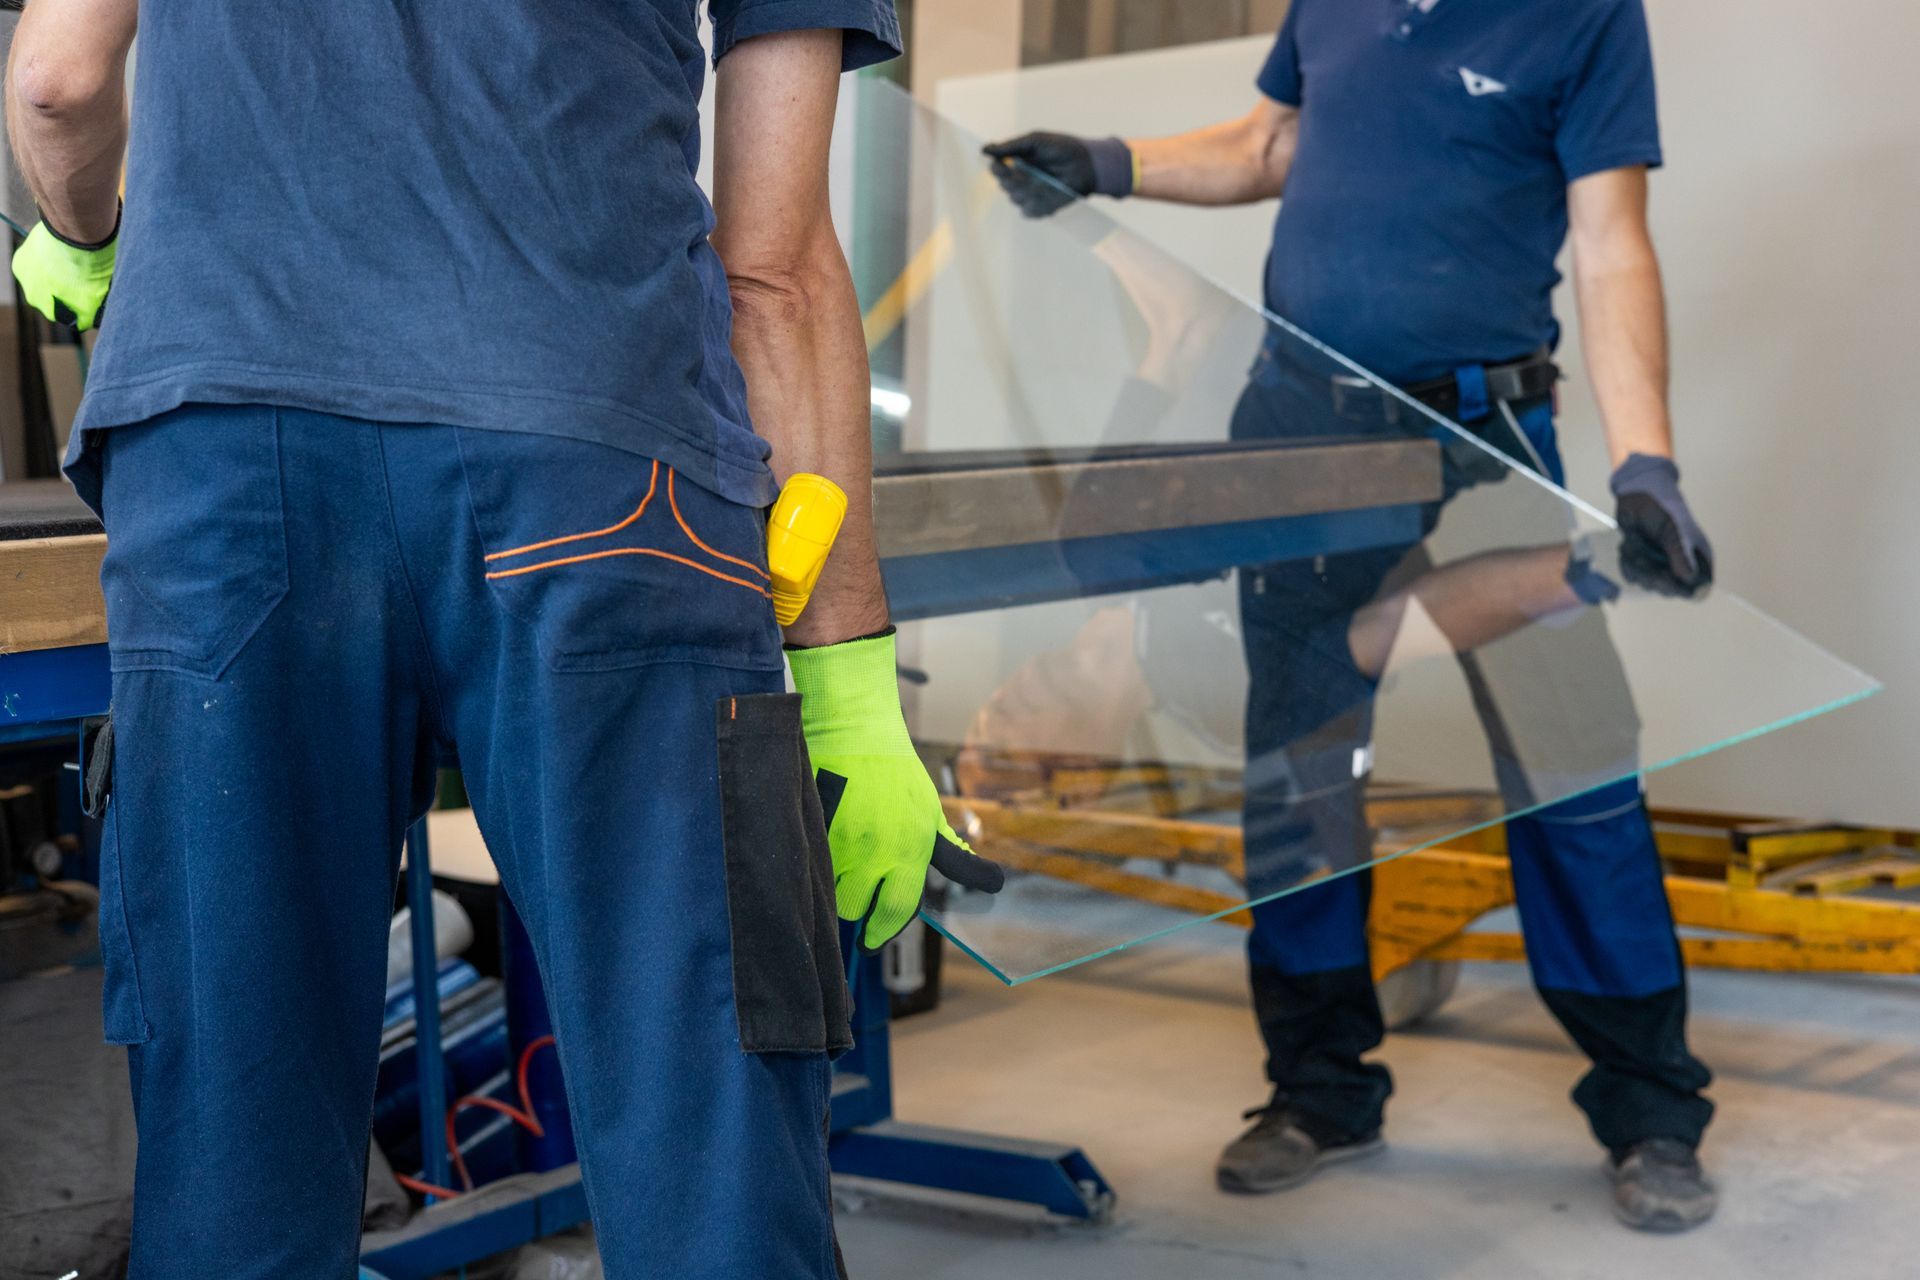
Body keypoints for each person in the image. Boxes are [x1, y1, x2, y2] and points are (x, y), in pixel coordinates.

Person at [7, 0, 1001, 1274]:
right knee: (705, 1097)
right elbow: (776, 272)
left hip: (228, 450)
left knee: (234, 1131)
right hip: (597, 449)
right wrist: (849, 672)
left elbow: (56, 78)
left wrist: (85, 238)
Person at [985, 0, 1718, 1233]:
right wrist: (1111, 164)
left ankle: (1652, 1107)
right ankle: (1320, 1089)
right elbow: (1271, 144)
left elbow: (1610, 243)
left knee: (1575, 764)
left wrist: (1645, 464)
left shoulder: (1582, 13)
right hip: (1300, 431)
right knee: (1301, 776)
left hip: (1486, 432)